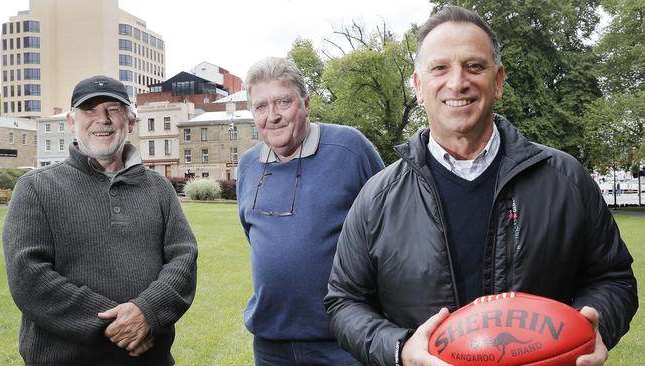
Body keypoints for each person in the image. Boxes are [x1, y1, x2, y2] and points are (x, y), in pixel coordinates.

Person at [324, 6, 638, 366]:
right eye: (440, 68)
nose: (457, 82)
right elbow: (343, 301)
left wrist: (593, 328)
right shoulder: (376, 197)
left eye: (474, 66)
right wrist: (400, 349)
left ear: (498, 81)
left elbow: (614, 280)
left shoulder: (566, 178)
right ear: (418, 86)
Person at [3, 75, 198, 365]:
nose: (102, 119)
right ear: (71, 121)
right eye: (89, 110)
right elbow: (29, 278)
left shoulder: (159, 188)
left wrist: (147, 311)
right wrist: (119, 325)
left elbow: (183, 259)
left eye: (113, 109)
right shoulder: (36, 187)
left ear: (131, 121)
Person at [237, 57, 384, 365]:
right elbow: (255, 236)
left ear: (305, 103)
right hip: (271, 345)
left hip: (344, 341)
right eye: (261, 107)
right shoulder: (248, 165)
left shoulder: (350, 148)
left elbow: (391, 229)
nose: (273, 116)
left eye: (283, 102)